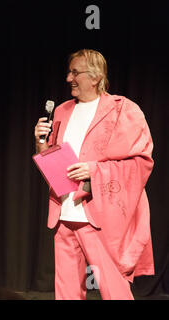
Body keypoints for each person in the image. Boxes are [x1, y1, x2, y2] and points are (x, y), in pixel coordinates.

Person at [34, 49, 154, 300]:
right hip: (65, 214)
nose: (68, 78)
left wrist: (95, 171)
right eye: (69, 72)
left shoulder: (123, 110)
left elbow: (141, 163)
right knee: (66, 294)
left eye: (75, 72)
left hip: (100, 218)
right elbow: (54, 166)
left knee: (115, 292)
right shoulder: (61, 111)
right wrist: (41, 145)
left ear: (96, 77)